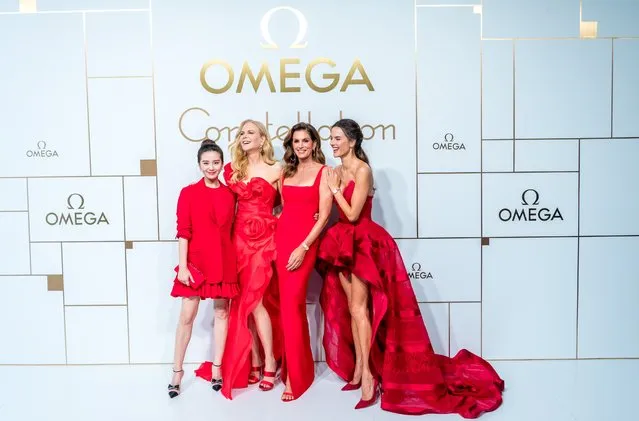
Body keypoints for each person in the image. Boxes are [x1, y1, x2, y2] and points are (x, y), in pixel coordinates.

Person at [317, 119, 504, 416]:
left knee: (358, 308)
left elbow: (353, 214)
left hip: (363, 242)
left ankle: (368, 377)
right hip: (341, 242)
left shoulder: (363, 170)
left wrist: (334, 190)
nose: (333, 143)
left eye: (337, 138)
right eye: (331, 139)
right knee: (353, 309)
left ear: (352, 141)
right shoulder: (335, 171)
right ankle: (360, 369)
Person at [196, 119, 282, 399]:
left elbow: (287, 207)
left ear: (262, 139)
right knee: (241, 302)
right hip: (238, 242)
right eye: (241, 133)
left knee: (256, 302)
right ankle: (254, 361)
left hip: (264, 241)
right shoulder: (233, 170)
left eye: (250, 133)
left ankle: (269, 362)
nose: (245, 137)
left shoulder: (277, 169)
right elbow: (222, 204)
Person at [168, 140, 239, 398]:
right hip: (196, 263)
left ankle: (217, 368)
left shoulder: (230, 194)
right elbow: (183, 232)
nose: (211, 167)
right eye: (206, 163)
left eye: (216, 162)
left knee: (222, 314)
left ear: (222, 164)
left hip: (224, 261)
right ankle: (177, 371)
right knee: (187, 316)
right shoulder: (188, 192)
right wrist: (183, 266)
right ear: (199, 165)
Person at [275, 123, 332, 402]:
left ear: (314, 144)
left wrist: (304, 246)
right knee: (287, 308)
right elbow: (285, 209)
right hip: (282, 241)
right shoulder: (286, 172)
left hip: (304, 245)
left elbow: (322, 216)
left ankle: (297, 379)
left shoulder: (324, 172)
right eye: (296, 141)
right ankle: (295, 370)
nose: (300, 145)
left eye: (305, 140)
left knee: (292, 306)